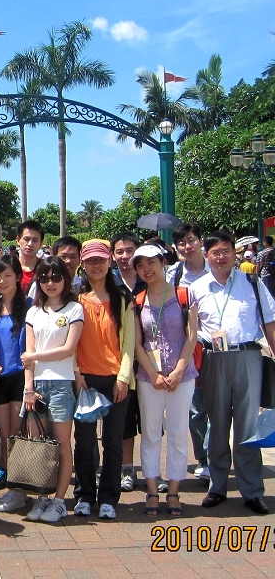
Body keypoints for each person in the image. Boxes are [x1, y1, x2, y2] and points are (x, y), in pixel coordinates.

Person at [192, 231, 275, 515]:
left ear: (234, 253)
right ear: (206, 256)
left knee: (247, 426)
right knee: (216, 423)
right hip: (212, 359)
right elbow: (191, 330)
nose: (221, 256)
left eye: (226, 250)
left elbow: (270, 322)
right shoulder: (197, 288)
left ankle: (251, 490)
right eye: (215, 252)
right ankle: (217, 486)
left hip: (247, 356)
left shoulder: (252, 283)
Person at [131, 245, 198, 518]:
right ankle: (151, 490)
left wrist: (179, 371)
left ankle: (173, 491)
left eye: (151, 262)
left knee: (179, 434)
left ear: (162, 263)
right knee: (150, 434)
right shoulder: (137, 301)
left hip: (182, 376)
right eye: (140, 265)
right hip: (150, 378)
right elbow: (137, 343)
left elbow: (191, 336)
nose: (146, 269)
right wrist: (153, 373)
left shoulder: (184, 295)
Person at [73, 240, 134, 520]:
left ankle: (109, 497)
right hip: (85, 380)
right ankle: (85, 495)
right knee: (84, 442)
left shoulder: (122, 298)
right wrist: (77, 373)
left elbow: (129, 343)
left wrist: (123, 377)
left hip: (115, 379)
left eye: (100, 260)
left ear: (109, 261)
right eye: (90, 261)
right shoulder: (76, 300)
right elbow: (71, 342)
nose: (96, 265)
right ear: (82, 265)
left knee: (112, 441)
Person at [21, 257, 84, 523]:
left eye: (56, 277)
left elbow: (68, 349)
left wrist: (34, 357)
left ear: (65, 280)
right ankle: (42, 496)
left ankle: (59, 500)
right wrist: (28, 388)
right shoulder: (33, 312)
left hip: (61, 384)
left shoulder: (74, 309)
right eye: (44, 278)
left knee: (61, 445)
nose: (50, 283)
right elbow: (28, 356)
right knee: (39, 446)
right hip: (37, 386)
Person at [168, 222, 210, 482]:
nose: (187, 246)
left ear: (201, 241)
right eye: (182, 243)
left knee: (218, 407)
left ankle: (217, 458)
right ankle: (204, 459)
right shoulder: (174, 274)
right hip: (188, 349)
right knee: (196, 409)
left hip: (215, 347)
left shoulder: (216, 269)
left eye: (192, 240)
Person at [0, 256, 28, 508]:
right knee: (4, 434)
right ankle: (10, 479)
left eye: (8, 275)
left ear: (18, 277)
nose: (2, 281)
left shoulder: (29, 306)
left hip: (20, 377)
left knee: (16, 434)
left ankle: (17, 488)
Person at [110, 233, 145, 493]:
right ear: (112, 255)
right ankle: (127, 469)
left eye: (130, 250)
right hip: (120, 361)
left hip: (150, 361)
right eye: (119, 251)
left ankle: (153, 471)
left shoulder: (149, 280)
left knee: (151, 420)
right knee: (125, 420)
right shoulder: (108, 283)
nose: (125, 256)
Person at [16, 221, 44, 295]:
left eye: (35, 240)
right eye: (26, 239)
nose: (30, 244)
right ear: (18, 240)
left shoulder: (46, 268)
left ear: (41, 243)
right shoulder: (9, 267)